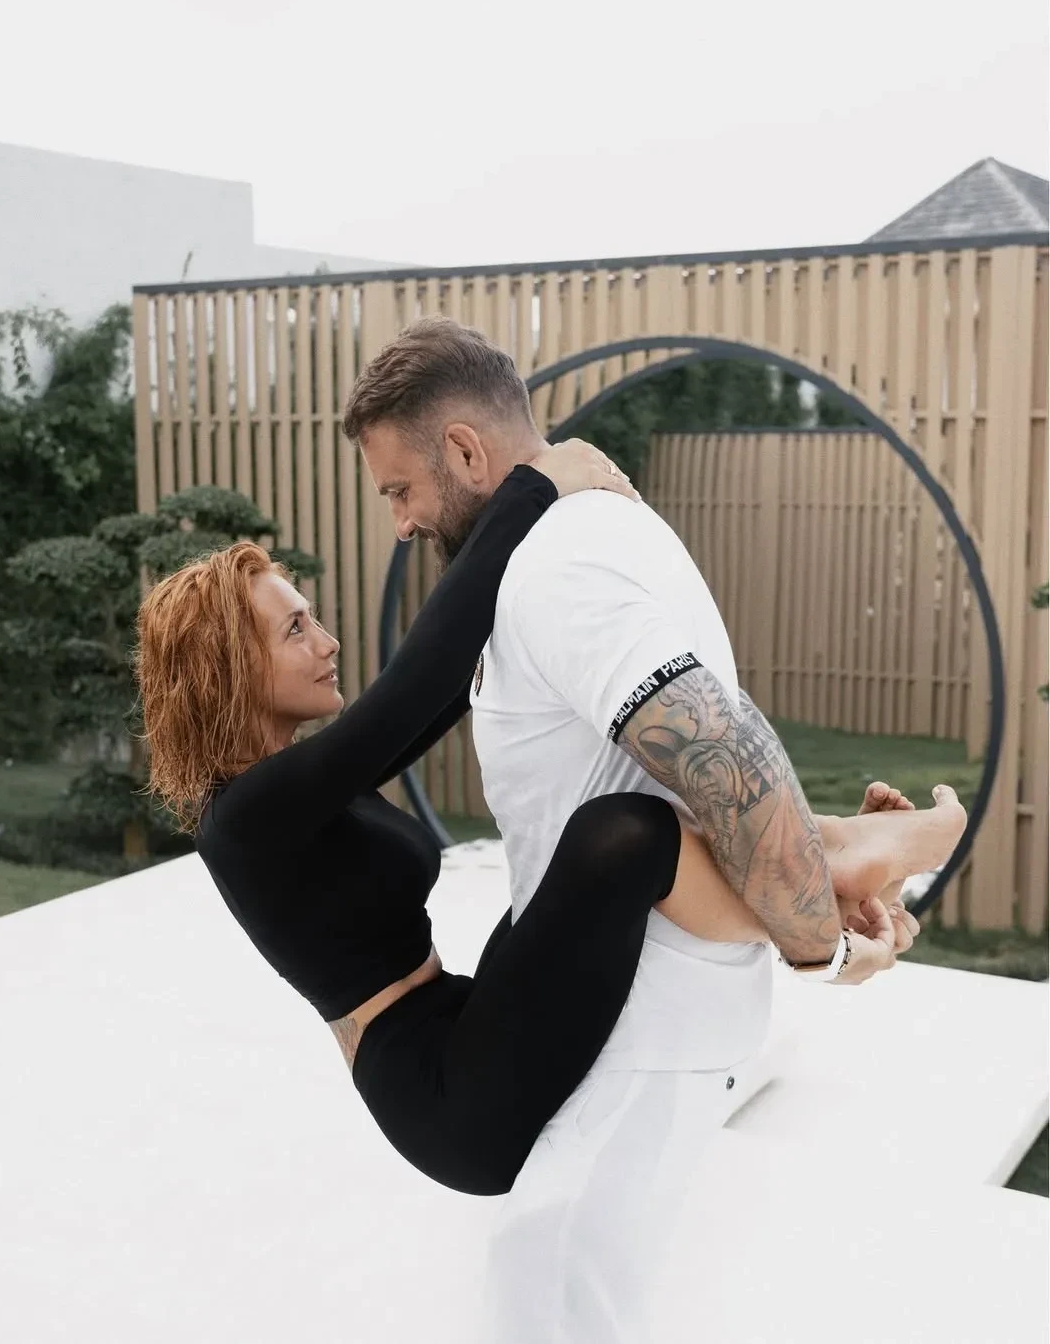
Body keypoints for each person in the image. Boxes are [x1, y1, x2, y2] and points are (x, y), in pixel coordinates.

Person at [344, 316, 968, 1341]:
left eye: (400, 489)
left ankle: (847, 852)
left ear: (464, 449)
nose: (403, 521)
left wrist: (824, 945)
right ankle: (847, 848)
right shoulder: (595, 529)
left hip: (641, 1013)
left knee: (548, 1296)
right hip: (624, 1003)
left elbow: (725, 751)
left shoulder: (558, 571)